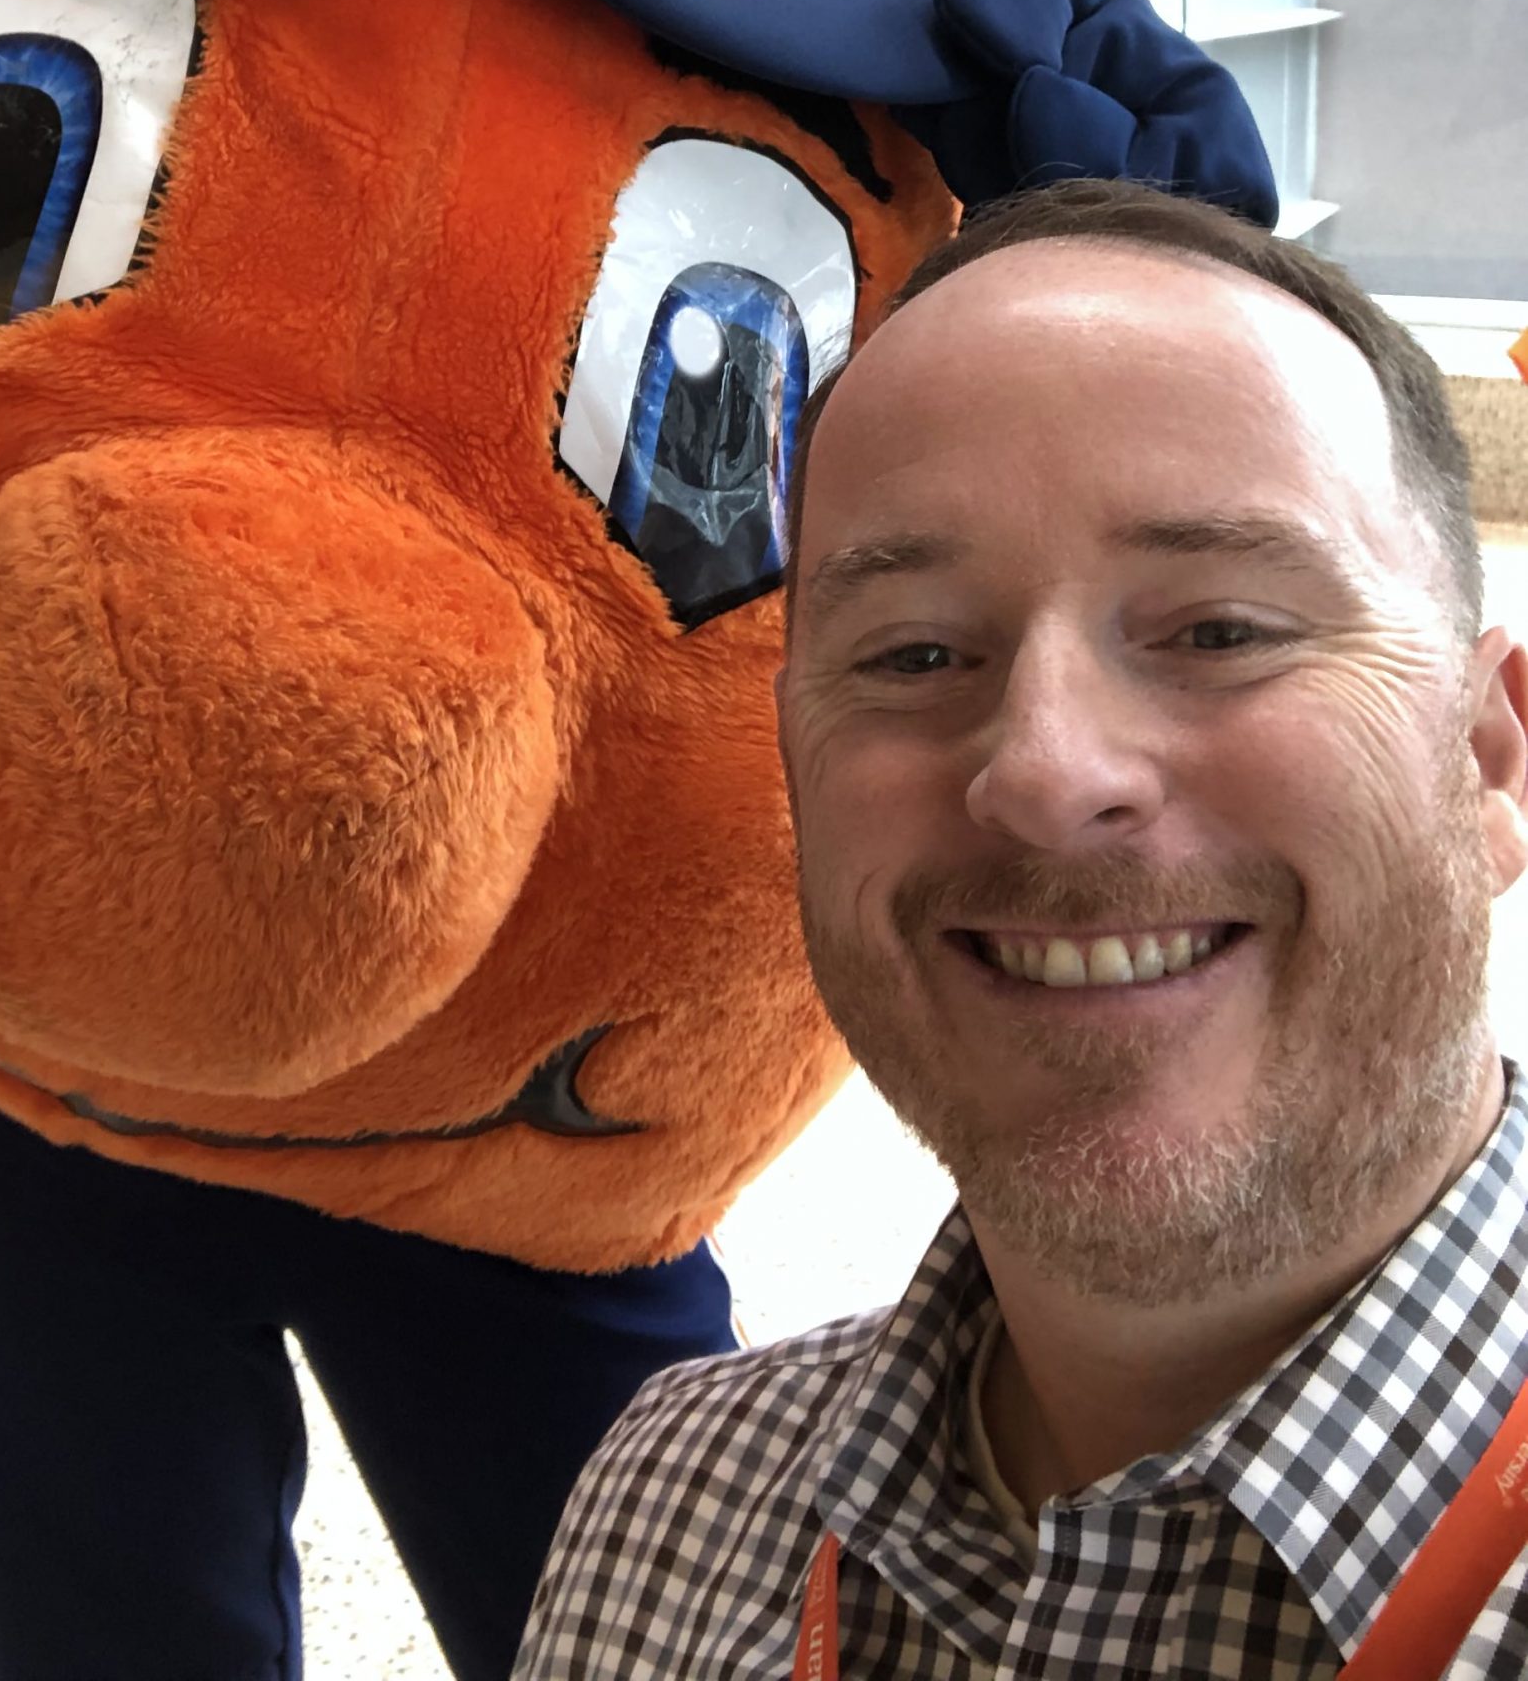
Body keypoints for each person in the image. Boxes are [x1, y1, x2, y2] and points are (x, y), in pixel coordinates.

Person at [513, 175, 1528, 1680]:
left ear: (1491, 754)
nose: (1048, 773)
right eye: (917, 652)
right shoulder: (665, 1505)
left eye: (1220, 630)